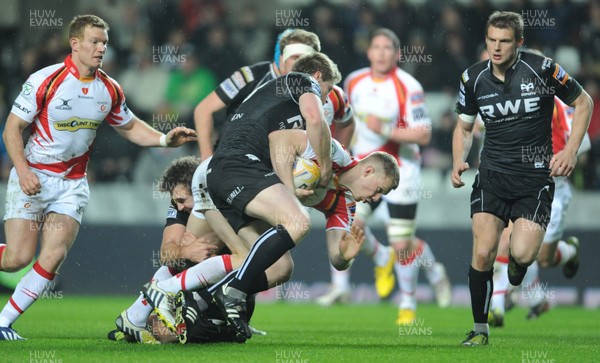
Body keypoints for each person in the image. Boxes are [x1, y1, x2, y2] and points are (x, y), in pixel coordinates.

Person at [0, 14, 197, 341]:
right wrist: (21, 170)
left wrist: (163, 139)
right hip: (33, 174)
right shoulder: (45, 80)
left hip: (72, 183)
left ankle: (4, 321)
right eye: (94, 41)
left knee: (54, 253)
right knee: (16, 258)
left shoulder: (109, 88)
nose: (101, 48)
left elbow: (130, 126)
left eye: (104, 42)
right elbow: (11, 128)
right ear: (75, 44)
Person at [170, 128, 398, 344]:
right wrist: (288, 191)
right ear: (368, 171)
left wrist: (345, 257)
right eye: (379, 190)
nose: (376, 199)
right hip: (225, 173)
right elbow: (279, 138)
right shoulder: (332, 151)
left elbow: (336, 258)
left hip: (249, 196)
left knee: (280, 268)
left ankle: (199, 301)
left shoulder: (345, 204)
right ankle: (162, 297)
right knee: (193, 251)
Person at [452, 11, 593, 346]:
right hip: (492, 176)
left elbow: (584, 102)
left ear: (519, 43)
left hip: (534, 180)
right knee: (484, 252)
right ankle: (479, 329)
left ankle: (518, 268)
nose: (496, 48)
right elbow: (464, 126)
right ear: (485, 40)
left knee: (526, 255)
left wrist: (570, 151)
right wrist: (459, 158)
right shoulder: (472, 78)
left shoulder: (542, 69)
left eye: (504, 41)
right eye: (491, 41)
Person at [319, 28, 452, 325]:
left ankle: (409, 302)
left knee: (402, 243)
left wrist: (385, 129)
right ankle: (379, 258)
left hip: (400, 173)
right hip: (363, 173)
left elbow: (424, 134)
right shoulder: (353, 81)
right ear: (369, 52)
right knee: (351, 224)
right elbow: (341, 118)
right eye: (376, 47)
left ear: (397, 54)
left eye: (387, 48)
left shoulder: (408, 86)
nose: (380, 53)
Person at [488, 97, 591, 327]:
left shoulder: (557, 104)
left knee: (543, 257)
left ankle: (567, 253)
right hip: (519, 185)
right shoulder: (505, 98)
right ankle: (496, 308)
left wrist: (563, 153)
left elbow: (583, 142)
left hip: (554, 188)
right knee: (506, 240)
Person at [107, 156, 219, 344]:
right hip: (200, 284)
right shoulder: (179, 208)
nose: (180, 206)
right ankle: (143, 316)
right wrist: (186, 251)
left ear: (198, 189)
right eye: (176, 202)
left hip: (222, 282)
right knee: (177, 336)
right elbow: (166, 253)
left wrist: (209, 251)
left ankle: (139, 318)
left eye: (183, 199)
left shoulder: (220, 198)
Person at [195, 28, 321, 161]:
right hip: (233, 158)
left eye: (305, 59)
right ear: (281, 55)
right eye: (295, 57)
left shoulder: (313, 87)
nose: (300, 64)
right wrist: (206, 160)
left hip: (274, 164)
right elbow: (203, 110)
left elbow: (342, 119)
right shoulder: (249, 76)